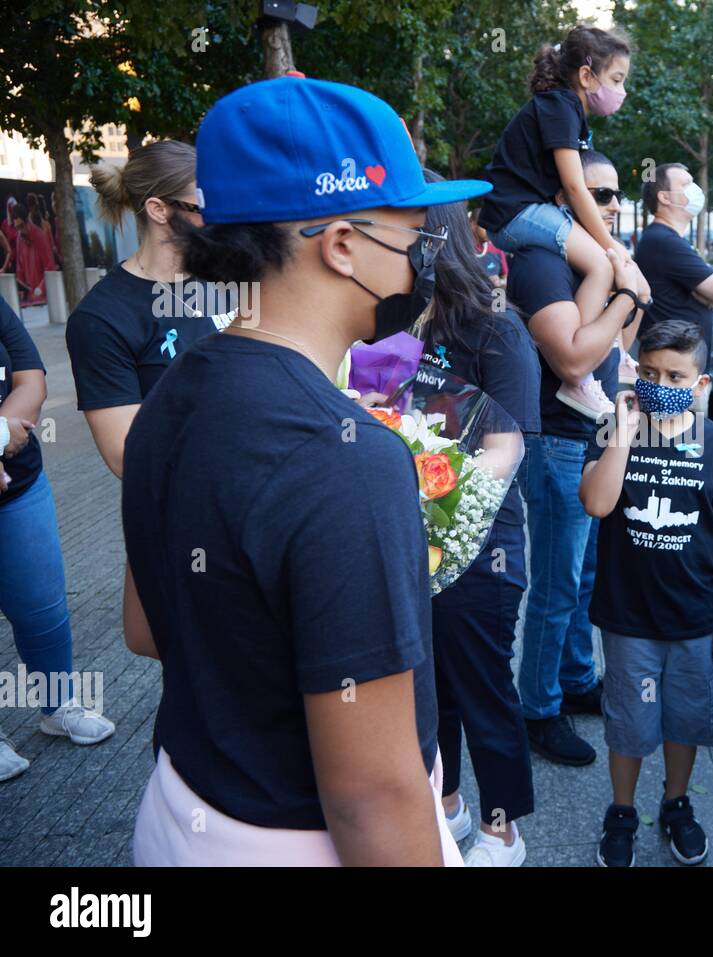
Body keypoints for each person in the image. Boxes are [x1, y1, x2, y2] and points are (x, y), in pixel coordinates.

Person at [122, 74, 492, 866]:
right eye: (415, 234)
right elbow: (372, 795)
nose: (426, 256)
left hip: (181, 810)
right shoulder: (345, 459)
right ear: (342, 243)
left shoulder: (170, 393)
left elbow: (145, 628)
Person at [579, 320, 713, 867]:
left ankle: (677, 803)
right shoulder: (610, 429)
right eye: (649, 372)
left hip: (694, 616)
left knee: (685, 717)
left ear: (700, 386)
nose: (661, 383)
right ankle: (621, 810)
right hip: (628, 617)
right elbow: (598, 504)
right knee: (628, 721)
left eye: (676, 375)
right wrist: (624, 434)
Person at [411, 170, 541, 866]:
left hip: (480, 546)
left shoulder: (496, 330)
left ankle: (502, 831)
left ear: (438, 235)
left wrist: (436, 503)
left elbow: (507, 445)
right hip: (414, 548)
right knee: (432, 687)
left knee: (483, 685)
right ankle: (449, 805)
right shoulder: (399, 322)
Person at [510, 149, 651, 767]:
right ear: (565, 199)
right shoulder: (541, 263)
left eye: (618, 193)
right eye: (599, 193)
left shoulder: (592, 261)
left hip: (593, 434)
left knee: (583, 577)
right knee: (556, 584)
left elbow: (613, 352)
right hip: (556, 440)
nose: (613, 205)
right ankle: (537, 708)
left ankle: (574, 679)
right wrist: (626, 296)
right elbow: (573, 360)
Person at [479, 25, 633, 420]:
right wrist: (609, 245)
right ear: (586, 75)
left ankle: (609, 354)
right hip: (515, 213)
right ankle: (578, 377)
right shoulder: (561, 106)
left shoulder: (565, 109)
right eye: (616, 79)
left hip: (523, 211)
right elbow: (575, 186)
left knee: (600, 264)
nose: (622, 91)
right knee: (601, 263)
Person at [67, 140, 234, 479]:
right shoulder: (101, 319)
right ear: (159, 210)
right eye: (205, 205)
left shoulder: (226, 279)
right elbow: (126, 456)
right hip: (187, 513)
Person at [0, 299, 115, 782]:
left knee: (41, 606)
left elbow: (31, 378)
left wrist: (0, 437)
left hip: (18, 483)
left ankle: (57, 706)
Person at [634, 163, 713, 377]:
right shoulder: (663, 241)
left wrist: (707, 293)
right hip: (675, 373)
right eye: (686, 184)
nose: (696, 189)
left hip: (682, 365)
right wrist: (707, 293)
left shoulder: (666, 239)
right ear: (665, 198)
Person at [11, 203, 58, 307]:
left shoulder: (39, 236)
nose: (20, 231)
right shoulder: (20, 238)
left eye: (21, 226)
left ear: (26, 221)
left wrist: (40, 288)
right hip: (30, 300)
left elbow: (50, 266)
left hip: (45, 299)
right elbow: (20, 266)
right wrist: (21, 290)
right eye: (17, 227)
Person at [468, 207, 508, 289]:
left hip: (493, 300)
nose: (491, 230)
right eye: (486, 226)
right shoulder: (461, 249)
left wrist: (500, 282)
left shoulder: (497, 248)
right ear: (473, 224)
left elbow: (505, 278)